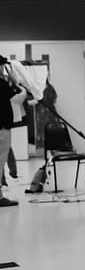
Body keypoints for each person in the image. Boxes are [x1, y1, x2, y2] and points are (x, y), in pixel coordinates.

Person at [0, 56, 24, 206]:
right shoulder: (1, 83)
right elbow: (16, 98)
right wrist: (21, 87)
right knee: (0, 161)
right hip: (1, 128)